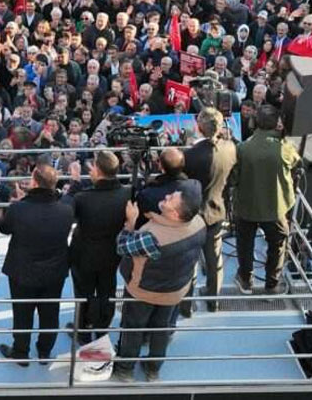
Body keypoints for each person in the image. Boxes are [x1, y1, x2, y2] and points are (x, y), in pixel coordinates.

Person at [113, 186, 207, 382]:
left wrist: (130, 222)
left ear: (174, 213)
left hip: (144, 291)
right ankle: (153, 368)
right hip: (175, 289)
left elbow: (123, 246)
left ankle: (125, 369)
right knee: (161, 329)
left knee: (133, 328)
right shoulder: (199, 223)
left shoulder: (153, 238)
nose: (166, 196)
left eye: (170, 198)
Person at [0, 162, 73, 366]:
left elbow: (4, 228)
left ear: (34, 182)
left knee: (22, 314)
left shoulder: (18, 209)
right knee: (50, 313)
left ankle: (21, 353)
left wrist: (21, 204)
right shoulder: (66, 210)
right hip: (54, 273)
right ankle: (44, 352)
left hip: (23, 272)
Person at [231, 104, 300, 295]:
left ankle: (246, 279)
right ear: (277, 124)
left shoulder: (242, 148)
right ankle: (272, 284)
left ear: (254, 123)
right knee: (277, 245)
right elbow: (295, 161)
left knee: (245, 244)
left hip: (246, 206)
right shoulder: (285, 148)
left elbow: (234, 178)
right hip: (275, 208)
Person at [69, 150, 129, 343]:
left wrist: (75, 183)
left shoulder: (83, 197)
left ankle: (83, 332)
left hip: (83, 255)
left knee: (83, 293)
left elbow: (67, 213)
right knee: (107, 291)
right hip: (112, 254)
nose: (90, 169)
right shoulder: (127, 193)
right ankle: (102, 329)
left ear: (99, 170)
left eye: (93, 166)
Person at [183, 108, 238, 313]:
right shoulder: (231, 148)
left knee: (190, 261)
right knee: (214, 259)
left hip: (192, 215)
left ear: (198, 127)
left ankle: (186, 305)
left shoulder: (190, 156)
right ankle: (213, 302)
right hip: (216, 211)